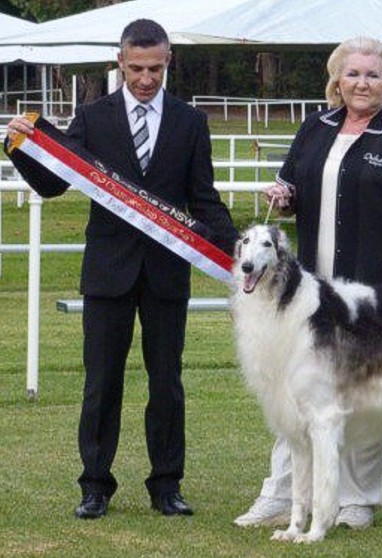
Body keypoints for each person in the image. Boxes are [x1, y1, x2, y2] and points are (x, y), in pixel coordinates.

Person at [5, 19, 238, 519]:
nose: (146, 78)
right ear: (120, 62)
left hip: (166, 273)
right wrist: (19, 149)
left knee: (167, 383)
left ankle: (166, 486)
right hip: (109, 272)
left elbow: (203, 197)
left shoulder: (190, 123)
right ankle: (94, 486)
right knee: (101, 383)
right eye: (136, 68)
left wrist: (238, 249)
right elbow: (52, 185)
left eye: (155, 68)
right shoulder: (92, 117)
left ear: (168, 61)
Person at [234, 36, 382, 530]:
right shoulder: (314, 128)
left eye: (372, 75)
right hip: (308, 295)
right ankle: (282, 493)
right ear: (337, 80)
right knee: (295, 393)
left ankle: (357, 499)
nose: (361, 83)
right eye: (352, 74)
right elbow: (292, 196)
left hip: (372, 295)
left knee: (363, 393)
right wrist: (282, 196)